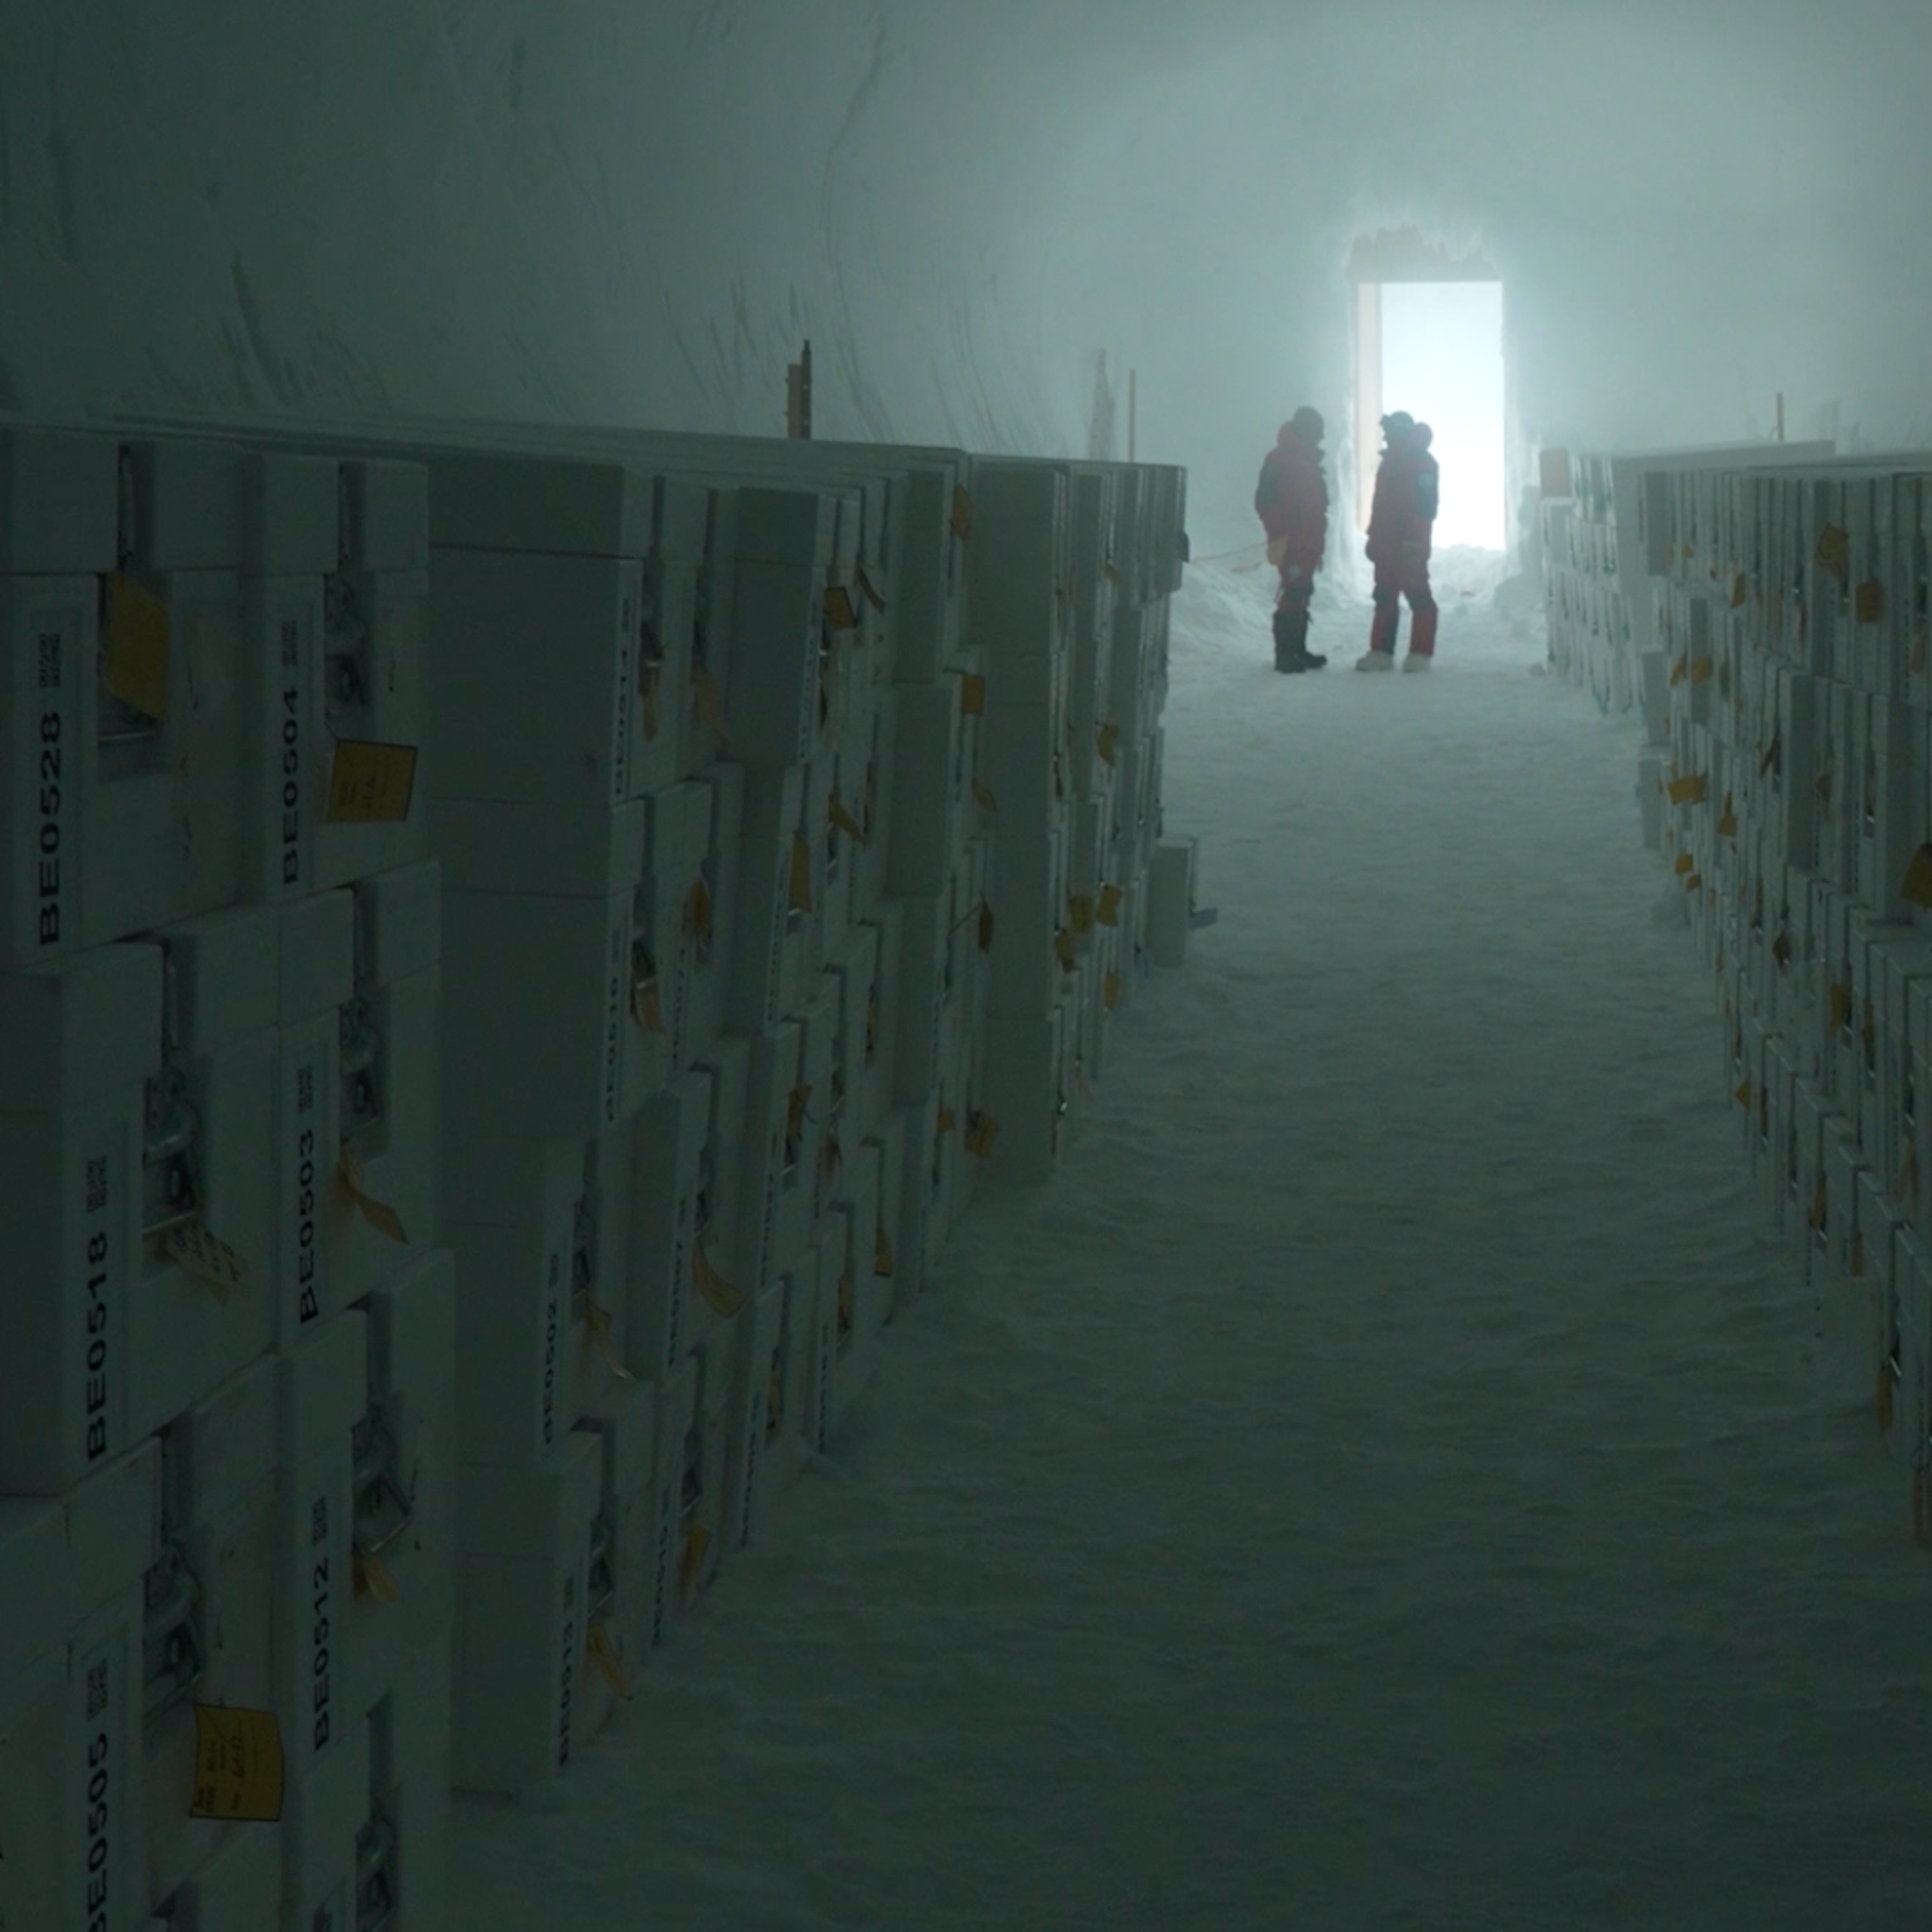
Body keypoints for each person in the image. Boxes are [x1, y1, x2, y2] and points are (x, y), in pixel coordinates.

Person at [1357, 412, 1441, 673]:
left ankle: (1420, 654)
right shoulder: (1390, 463)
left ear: (1399, 431)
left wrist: (1414, 542)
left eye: (1388, 431)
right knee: (1385, 596)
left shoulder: (1423, 464)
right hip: (1386, 544)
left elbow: (1425, 508)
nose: (1385, 436)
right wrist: (1374, 537)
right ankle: (1381, 652)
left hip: (1408, 546)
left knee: (1419, 597)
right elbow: (1379, 507)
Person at [1254, 407, 1330, 672]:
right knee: (1294, 591)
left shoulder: (1308, 460)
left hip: (1308, 541)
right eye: (1317, 432)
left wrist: (1318, 544)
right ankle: (1285, 656)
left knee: (1303, 591)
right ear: (1305, 430)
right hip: (1290, 541)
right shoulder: (1279, 459)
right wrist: (1278, 536)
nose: (1320, 438)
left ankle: (1297, 650)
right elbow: (1265, 501)